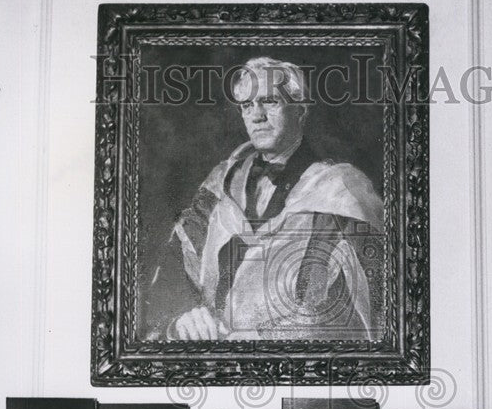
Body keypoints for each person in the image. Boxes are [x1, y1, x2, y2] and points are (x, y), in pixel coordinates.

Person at [147, 56, 384, 342]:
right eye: (247, 106)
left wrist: (263, 337)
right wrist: (184, 316)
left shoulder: (341, 191)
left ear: (301, 109)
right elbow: (172, 274)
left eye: (269, 101)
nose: (256, 115)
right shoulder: (218, 187)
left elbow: (354, 304)